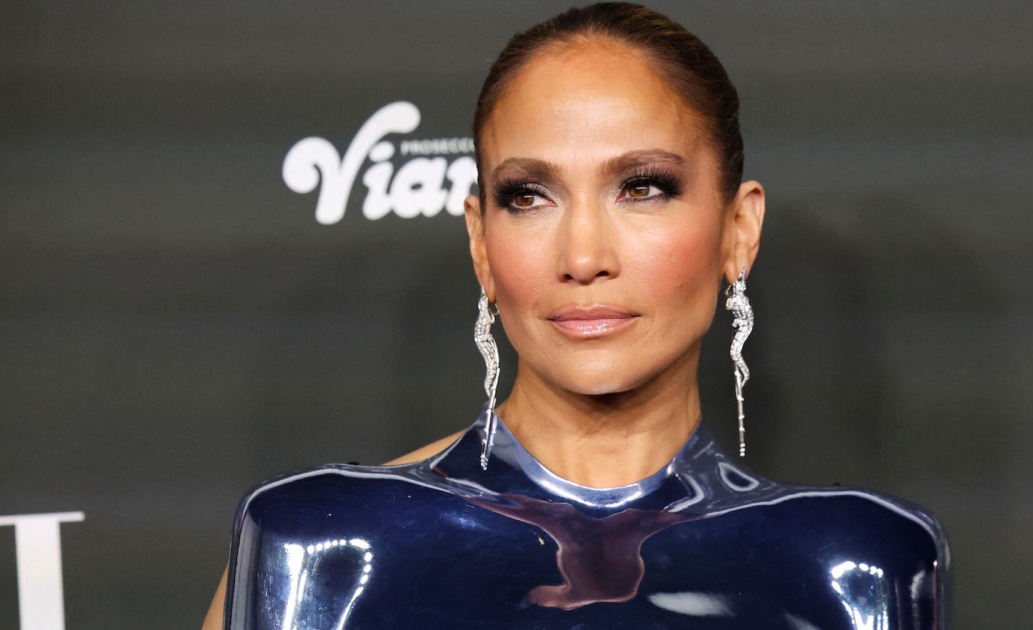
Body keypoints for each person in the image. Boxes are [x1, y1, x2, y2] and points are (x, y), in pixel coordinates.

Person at [203, 3, 950, 628]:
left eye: (643, 187)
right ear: (481, 243)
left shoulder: (855, 563)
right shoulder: (327, 545)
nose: (583, 256)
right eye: (529, 196)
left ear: (738, 230)